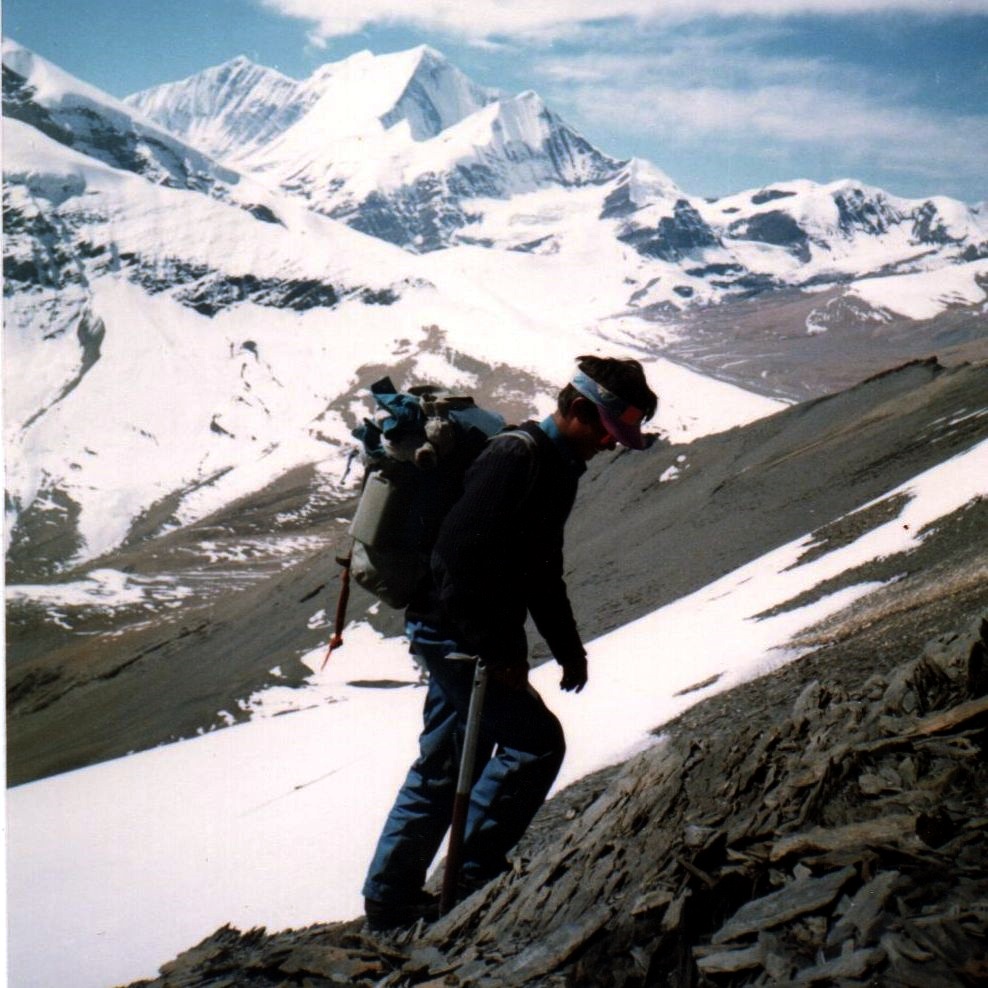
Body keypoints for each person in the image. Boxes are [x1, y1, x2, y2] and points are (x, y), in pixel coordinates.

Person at [361, 355, 659, 930]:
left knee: (446, 762)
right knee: (535, 744)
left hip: (451, 628)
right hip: (455, 633)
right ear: (575, 408)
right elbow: (455, 558)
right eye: (603, 428)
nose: (607, 443)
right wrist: (495, 655)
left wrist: (567, 648)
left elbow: (542, 569)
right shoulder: (516, 459)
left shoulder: (556, 465)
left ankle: (391, 899)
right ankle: (469, 877)